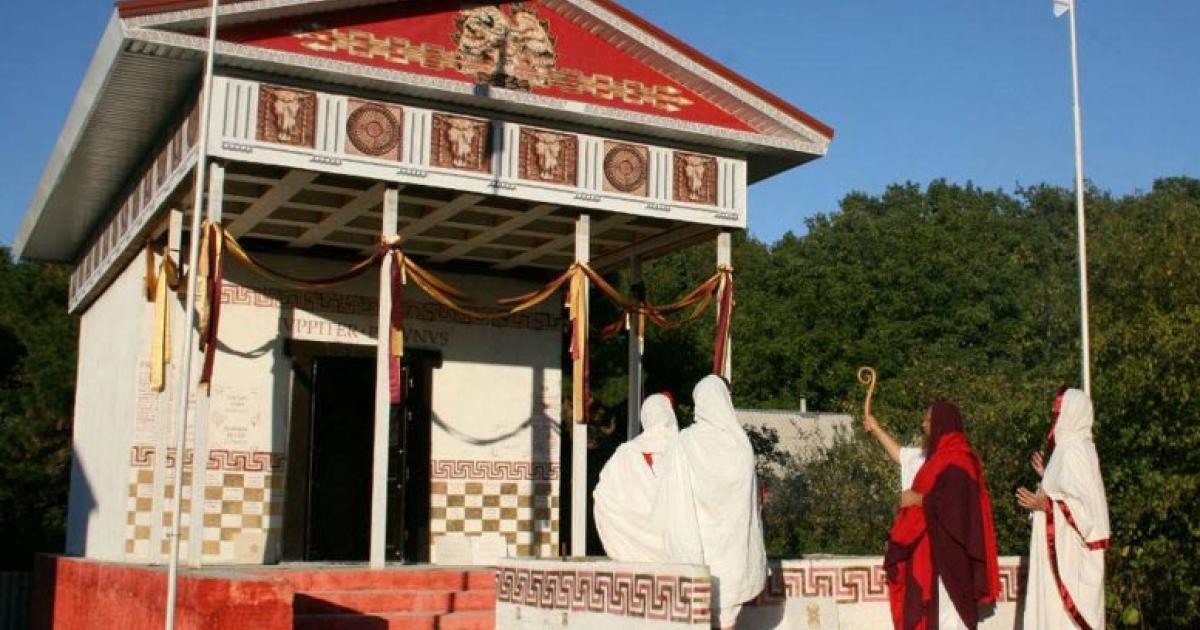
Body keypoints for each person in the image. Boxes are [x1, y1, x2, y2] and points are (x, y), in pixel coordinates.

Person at [864, 402, 1001, 629]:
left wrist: (918, 499)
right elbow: (901, 455)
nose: (923, 424)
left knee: (949, 616)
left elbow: (956, 507)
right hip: (929, 554)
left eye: (928, 420)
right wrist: (877, 428)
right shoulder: (934, 459)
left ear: (941, 423)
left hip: (949, 557)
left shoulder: (959, 459)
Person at [653, 375, 766, 630]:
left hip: (699, 544)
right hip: (734, 552)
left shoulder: (684, 442)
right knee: (728, 619)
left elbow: (667, 489)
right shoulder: (740, 443)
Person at [1017, 388, 1109, 630]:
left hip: (1071, 559)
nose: (1055, 419)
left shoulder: (1074, 449)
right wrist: (1047, 475)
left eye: (1059, 413)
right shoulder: (1070, 449)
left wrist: (1045, 505)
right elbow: (1067, 491)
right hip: (1057, 551)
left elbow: (1086, 513)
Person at [592, 392, 679, 562]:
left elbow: (603, 497)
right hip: (675, 551)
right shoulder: (685, 450)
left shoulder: (625, 454)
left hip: (629, 554)